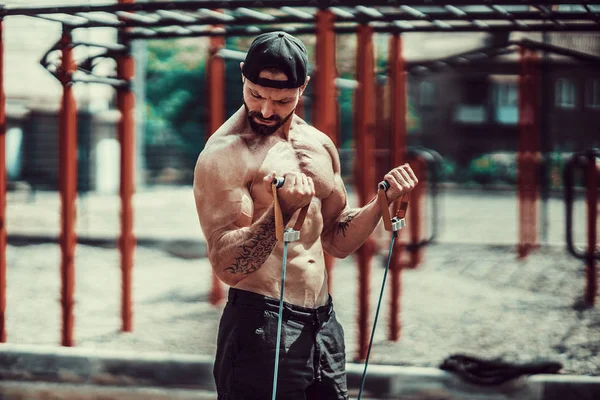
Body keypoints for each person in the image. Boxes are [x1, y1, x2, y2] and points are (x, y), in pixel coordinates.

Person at [193, 31, 418, 400]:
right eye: (256, 95)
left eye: (281, 100)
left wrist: (382, 201)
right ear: (243, 79)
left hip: (323, 323)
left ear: (303, 89)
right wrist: (279, 213)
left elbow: (336, 240)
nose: (266, 110)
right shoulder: (225, 154)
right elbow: (226, 266)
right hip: (261, 324)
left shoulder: (319, 145)